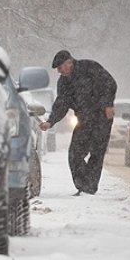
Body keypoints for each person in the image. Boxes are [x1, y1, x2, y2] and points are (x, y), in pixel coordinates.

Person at [39, 50, 117, 195]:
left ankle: (89, 187)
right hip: (84, 120)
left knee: (97, 152)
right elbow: (62, 103)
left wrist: (108, 104)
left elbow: (110, 84)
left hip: (102, 117)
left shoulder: (90, 67)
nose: (59, 71)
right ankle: (83, 184)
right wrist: (50, 122)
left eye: (60, 68)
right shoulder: (64, 82)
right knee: (75, 154)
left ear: (69, 63)